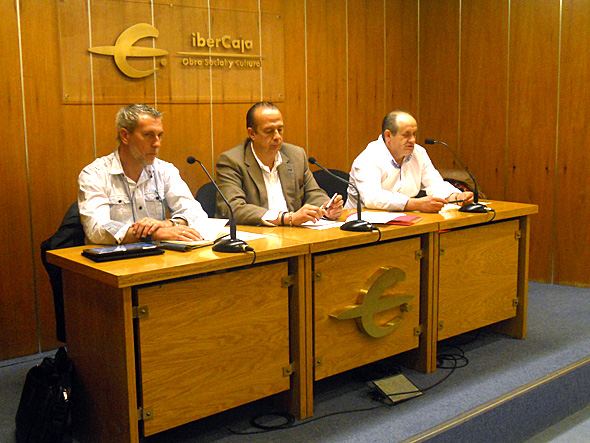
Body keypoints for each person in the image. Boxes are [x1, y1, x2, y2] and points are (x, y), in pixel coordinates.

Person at [78, 104, 208, 244]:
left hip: (159, 259)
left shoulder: (165, 170)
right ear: (125, 136)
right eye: (148, 135)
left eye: (159, 135)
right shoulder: (94, 174)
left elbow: (198, 215)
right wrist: (153, 233)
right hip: (113, 261)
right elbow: (97, 230)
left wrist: (169, 224)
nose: (157, 143)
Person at [215, 102, 343, 225]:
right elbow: (233, 208)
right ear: (252, 133)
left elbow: (313, 193)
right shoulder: (231, 161)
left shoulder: (296, 155)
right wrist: (285, 218)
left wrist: (326, 207)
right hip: (256, 236)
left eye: (280, 129)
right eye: (269, 131)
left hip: (295, 235)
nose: (277, 137)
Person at [345, 110, 474, 213]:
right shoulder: (369, 158)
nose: (412, 140)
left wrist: (456, 197)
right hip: (363, 223)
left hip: (405, 218)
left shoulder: (418, 153)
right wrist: (414, 204)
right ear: (388, 135)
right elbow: (373, 198)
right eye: (406, 135)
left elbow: (434, 184)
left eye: (414, 134)